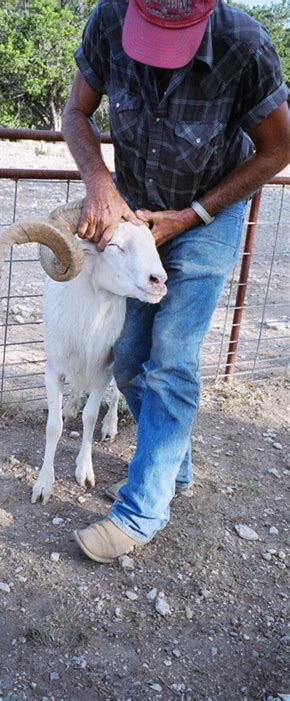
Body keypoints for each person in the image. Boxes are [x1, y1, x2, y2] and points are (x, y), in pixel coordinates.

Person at [62, 0, 290, 563]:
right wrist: (99, 182)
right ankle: (174, 465)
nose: (161, 61)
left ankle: (142, 510)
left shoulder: (245, 43)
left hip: (210, 215)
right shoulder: (111, 18)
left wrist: (191, 217)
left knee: (171, 358)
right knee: (131, 360)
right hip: (137, 215)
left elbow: (280, 146)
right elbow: (76, 112)